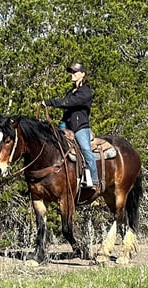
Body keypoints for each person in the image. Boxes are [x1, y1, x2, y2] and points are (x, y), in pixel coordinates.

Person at [42, 63, 100, 193]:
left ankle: (95, 181)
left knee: (85, 149)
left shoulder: (85, 92)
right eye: (71, 72)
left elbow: (68, 103)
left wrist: (49, 102)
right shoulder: (71, 91)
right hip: (66, 125)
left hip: (80, 127)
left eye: (75, 72)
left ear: (83, 74)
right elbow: (66, 102)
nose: (72, 74)